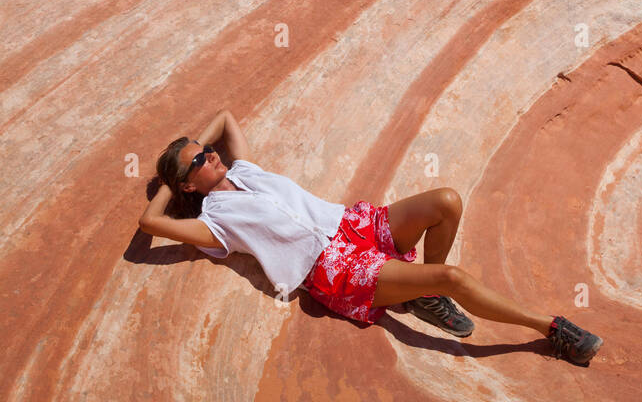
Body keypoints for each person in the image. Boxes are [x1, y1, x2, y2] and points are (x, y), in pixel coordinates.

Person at [139, 107, 603, 366]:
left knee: (446, 200)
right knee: (452, 277)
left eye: (206, 153)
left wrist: (190, 147)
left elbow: (223, 116)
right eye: (199, 163)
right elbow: (150, 225)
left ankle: (421, 293)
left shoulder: (244, 170)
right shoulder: (215, 221)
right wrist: (167, 182)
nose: (210, 158)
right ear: (186, 185)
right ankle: (552, 331)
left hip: (351, 224)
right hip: (331, 267)